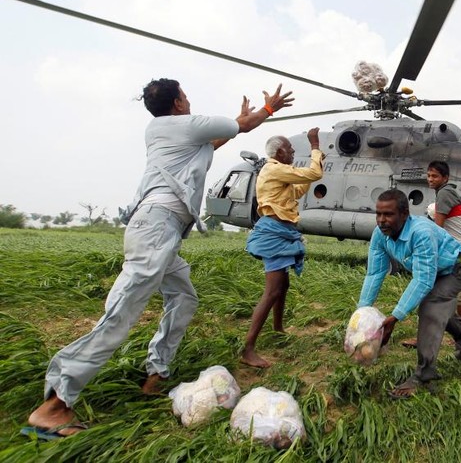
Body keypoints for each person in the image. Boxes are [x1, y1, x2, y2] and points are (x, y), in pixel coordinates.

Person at [26, 79, 294, 438]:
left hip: (162, 231)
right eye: (184, 95)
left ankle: (157, 373)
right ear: (177, 102)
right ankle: (55, 404)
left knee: (184, 298)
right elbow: (242, 126)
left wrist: (238, 123)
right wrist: (268, 109)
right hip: (156, 229)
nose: (189, 99)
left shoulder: (167, 132)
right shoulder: (184, 124)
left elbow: (214, 141)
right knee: (121, 312)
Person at [357, 189, 461, 398]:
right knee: (440, 310)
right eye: (379, 214)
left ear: (404, 214)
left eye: (388, 214)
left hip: (457, 268)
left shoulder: (420, 232)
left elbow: (423, 280)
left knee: (430, 307)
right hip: (435, 270)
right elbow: (375, 272)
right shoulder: (380, 235)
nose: (382, 220)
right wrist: (361, 314)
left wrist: (395, 317)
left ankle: (424, 375)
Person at [241, 129, 324, 368]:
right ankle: (247, 349)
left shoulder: (279, 174)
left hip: (282, 233)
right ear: (279, 152)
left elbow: (298, 189)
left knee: (282, 285)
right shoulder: (274, 168)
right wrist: (315, 146)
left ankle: (277, 329)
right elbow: (314, 172)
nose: (293, 152)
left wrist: (312, 170)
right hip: (274, 234)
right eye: (290, 150)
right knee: (272, 290)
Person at [401, 161, 461, 349]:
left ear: (445, 178)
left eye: (435, 176)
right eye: (429, 175)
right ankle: (454, 337)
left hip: (459, 255)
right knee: (446, 298)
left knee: (446, 298)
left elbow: (437, 228)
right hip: (456, 252)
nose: (430, 179)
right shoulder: (446, 192)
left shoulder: (444, 193)